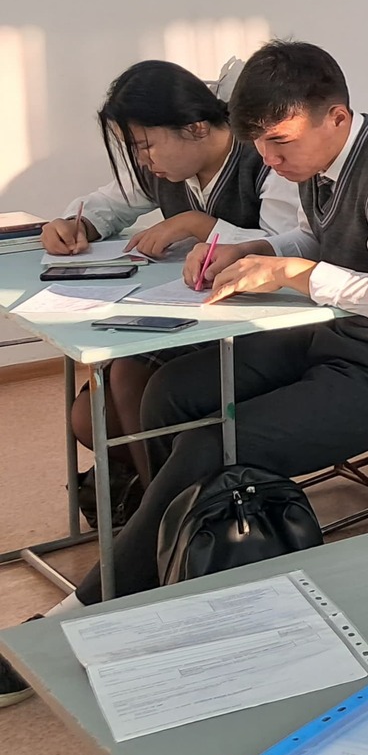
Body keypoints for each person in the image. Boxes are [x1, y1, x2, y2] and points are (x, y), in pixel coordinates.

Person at [81, 41, 368, 607]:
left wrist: (296, 272)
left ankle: (95, 603)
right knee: (171, 392)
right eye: (259, 144)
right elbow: (317, 237)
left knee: (211, 444)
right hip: (341, 341)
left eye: (279, 141)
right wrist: (255, 250)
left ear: (336, 117)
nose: (269, 159)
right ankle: (187, 550)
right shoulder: (320, 160)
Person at [42, 61, 298, 518]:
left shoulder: (264, 161)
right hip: (196, 315)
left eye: (145, 146)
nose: (143, 161)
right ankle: (171, 493)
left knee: (128, 375)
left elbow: (287, 243)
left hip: (266, 324)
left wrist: (199, 225)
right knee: (87, 418)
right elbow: (108, 203)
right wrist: (75, 225)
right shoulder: (162, 170)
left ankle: (164, 517)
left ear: (196, 127)